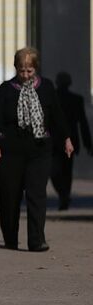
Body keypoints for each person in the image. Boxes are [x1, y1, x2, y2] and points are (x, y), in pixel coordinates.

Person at [0, 48, 73, 252]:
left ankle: (37, 240)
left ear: (36, 69)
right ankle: (10, 237)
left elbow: (57, 116)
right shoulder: (6, 89)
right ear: (15, 68)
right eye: (21, 70)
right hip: (11, 151)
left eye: (29, 71)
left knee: (36, 194)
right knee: (10, 195)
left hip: (39, 148)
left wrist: (67, 138)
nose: (25, 75)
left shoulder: (46, 88)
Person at [50, 72, 92, 210]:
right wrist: (88, 144)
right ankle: (64, 195)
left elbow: (82, 123)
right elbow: (83, 124)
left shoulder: (54, 98)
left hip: (56, 141)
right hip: (65, 141)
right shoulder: (74, 99)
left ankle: (64, 195)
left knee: (56, 171)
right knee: (64, 172)